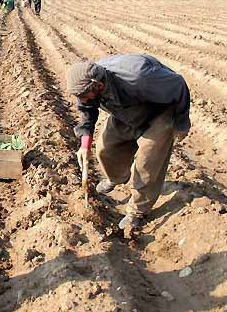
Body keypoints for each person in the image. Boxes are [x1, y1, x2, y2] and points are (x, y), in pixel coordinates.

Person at [66, 54, 190, 230]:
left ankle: (137, 211)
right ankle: (116, 177)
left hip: (161, 112)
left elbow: (178, 85)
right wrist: (84, 146)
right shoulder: (88, 85)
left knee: (146, 164)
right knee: (105, 148)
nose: (82, 99)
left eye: (84, 95)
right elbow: (87, 110)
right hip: (126, 110)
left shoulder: (140, 78)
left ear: (99, 86)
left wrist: (182, 123)